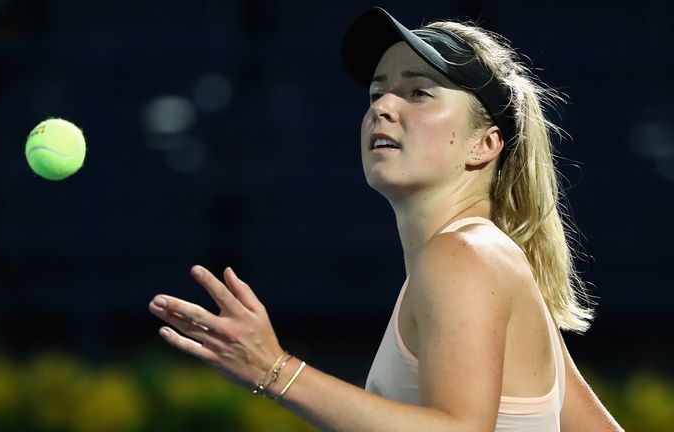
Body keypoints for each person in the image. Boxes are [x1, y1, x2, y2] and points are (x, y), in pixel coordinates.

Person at [149, 7, 623, 431]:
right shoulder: (484, 259)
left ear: (485, 145)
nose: (382, 106)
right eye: (378, 91)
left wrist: (274, 369)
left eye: (418, 92)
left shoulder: (463, 257)